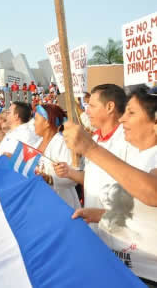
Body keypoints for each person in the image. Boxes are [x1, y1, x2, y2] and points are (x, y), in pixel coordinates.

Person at [63, 87, 157, 286]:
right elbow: (138, 210)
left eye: (131, 113)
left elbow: (152, 192)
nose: (122, 119)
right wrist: (100, 215)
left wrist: (90, 149)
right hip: (125, 266)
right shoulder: (138, 155)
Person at [54, 84, 127, 232]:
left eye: (92, 106)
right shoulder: (94, 139)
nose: (87, 111)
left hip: (123, 234)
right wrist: (69, 172)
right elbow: (92, 178)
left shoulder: (128, 139)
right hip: (95, 228)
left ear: (110, 107)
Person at [33, 104, 80, 209]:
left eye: (36, 119)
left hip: (62, 203)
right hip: (42, 201)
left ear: (47, 122)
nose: (33, 123)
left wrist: (50, 179)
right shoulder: (37, 143)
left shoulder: (63, 143)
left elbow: (73, 177)